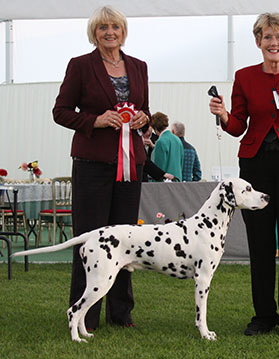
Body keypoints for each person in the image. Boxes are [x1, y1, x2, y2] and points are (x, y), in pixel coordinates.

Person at [53, 5, 151, 330]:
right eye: (103, 28)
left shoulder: (138, 67)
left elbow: (144, 109)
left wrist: (143, 118)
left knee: (125, 239)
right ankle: (85, 315)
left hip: (130, 165)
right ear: (94, 33)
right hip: (91, 164)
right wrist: (94, 120)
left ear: (123, 31)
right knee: (90, 239)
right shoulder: (80, 66)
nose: (110, 33)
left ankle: (121, 314)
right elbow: (61, 111)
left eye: (115, 27)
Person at [209, 13, 279, 337]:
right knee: (259, 242)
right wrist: (223, 116)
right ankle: (263, 315)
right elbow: (237, 127)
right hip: (255, 166)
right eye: (267, 37)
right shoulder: (244, 77)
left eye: (278, 37)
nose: (273, 43)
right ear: (258, 41)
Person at [151, 112, 184, 181]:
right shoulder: (177, 139)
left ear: (154, 128)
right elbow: (181, 162)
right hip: (177, 181)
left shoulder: (160, 142)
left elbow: (159, 167)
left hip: (165, 184)